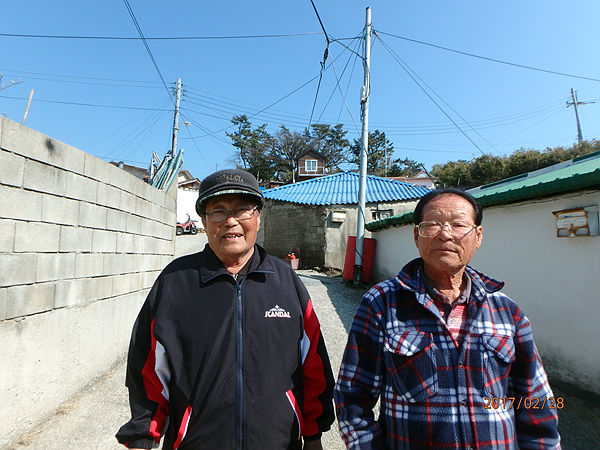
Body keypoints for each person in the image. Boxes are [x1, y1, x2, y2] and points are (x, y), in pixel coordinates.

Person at [116, 169, 335, 450]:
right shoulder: (175, 282)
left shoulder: (286, 282)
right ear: (204, 222)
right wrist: (143, 437)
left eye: (243, 210)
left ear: (258, 217)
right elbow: (147, 369)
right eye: (217, 212)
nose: (231, 221)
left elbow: (313, 364)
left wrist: (313, 436)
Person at [334, 188, 560, 449]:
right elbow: (352, 397)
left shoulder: (507, 311)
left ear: (478, 236)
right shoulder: (382, 303)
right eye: (432, 225)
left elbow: (535, 398)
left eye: (458, 224)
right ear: (416, 236)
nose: (445, 234)